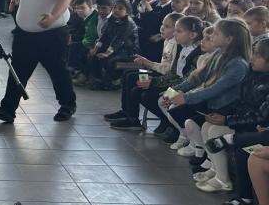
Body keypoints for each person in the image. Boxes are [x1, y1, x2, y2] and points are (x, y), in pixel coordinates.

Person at [164, 19, 251, 165]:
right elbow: (196, 78)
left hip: (227, 109)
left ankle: (208, 159)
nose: (211, 36)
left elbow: (216, 89)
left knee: (191, 117)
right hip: (214, 104)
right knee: (177, 111)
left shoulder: (238, 65)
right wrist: (173, 91)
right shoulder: (218, 54)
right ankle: (200, 151)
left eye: (216, 34)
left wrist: (186, 98)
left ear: (229, 39)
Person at [195, 38, 269, 193]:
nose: (252, 57)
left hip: (254, 126)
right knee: (208, 125)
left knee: (215, 131)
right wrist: (224, 116)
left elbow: (261, 117)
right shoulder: (252, 74)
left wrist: (227, 120)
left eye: (257, 55)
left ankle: (223, 179)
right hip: (244, 121)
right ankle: (215, 169)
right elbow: (241, 102)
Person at [106, 12, 183, 131]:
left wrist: (148, 63)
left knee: (137, 86)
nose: (162, 28)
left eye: (167, 26)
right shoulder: (167, 40)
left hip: (167, 80)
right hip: (160, 74)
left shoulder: (177, 45)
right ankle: (126, 112)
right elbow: (164, 66)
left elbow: (168, 70)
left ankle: (138, 119)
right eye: (162, 24)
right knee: (129, 74)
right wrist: (146, 63)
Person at [89, 0, 139, 90]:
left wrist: (107, 53)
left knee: (110, 60)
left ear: (127, 11)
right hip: (116, 48)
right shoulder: (112, 19)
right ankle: (98, 80)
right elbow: (104, 36)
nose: (116, 10)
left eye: (120, 8)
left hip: (128, 50)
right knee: (94, 54)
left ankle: (116, 81)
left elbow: (120, 39)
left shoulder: (129, 23)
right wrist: (96, 48)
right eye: (115, 7)